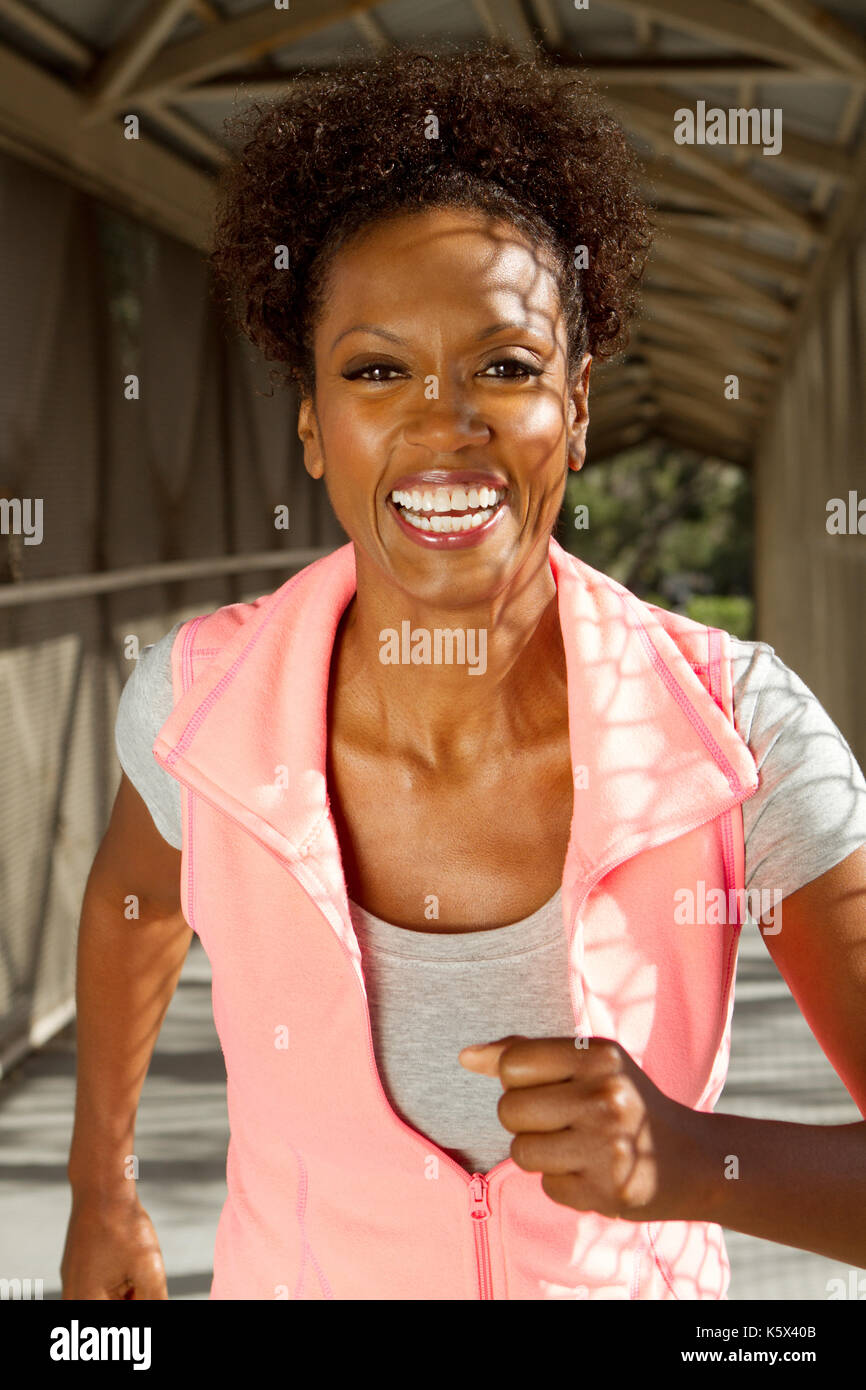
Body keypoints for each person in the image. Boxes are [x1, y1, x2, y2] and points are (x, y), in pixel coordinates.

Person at [61, 47, 866, 1300]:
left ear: (579, 409)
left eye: (504, 366)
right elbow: (132, 913)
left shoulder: (736, 729)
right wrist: (100, 1184)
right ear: (314, 429)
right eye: (377, 371)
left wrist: (699, 1160)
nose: (445, 424)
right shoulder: (201, 711)